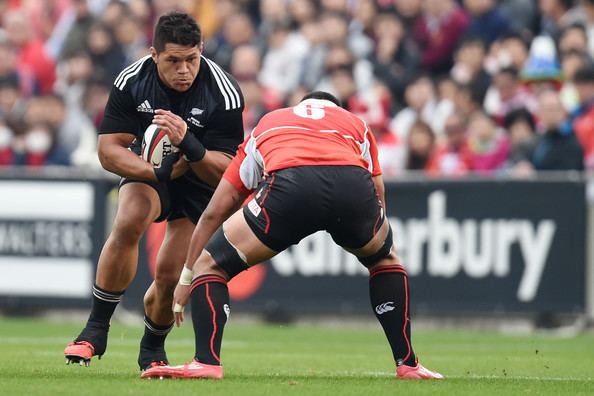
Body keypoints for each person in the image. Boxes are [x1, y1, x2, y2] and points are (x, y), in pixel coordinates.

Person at [141, 91, 443, 380]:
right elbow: (378, 191)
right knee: (386, 262)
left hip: (291, 184)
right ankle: (408, 363)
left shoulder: (270, 122)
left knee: (211, 266)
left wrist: (187, 279)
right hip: (352, 187)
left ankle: (206, 362)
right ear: (335, 109)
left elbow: (214, 212)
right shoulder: (357, 124)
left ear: (300, 107)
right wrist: (378, 243)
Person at [63, 11, 244, 372]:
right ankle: (96, 328)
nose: (184, 70)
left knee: (169, 275)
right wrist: (155, 171)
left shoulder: (224, 92)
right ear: (154, 54)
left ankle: (152, 347)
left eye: (192, 59)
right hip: (150, 167)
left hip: (198, 178)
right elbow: (108, 151)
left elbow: (228, 172)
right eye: (173, 60)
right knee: (129, 218)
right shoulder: (133, 79)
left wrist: (189, 145)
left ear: (202, 50)